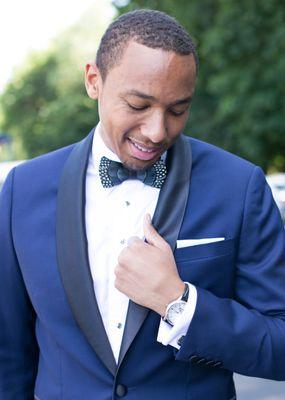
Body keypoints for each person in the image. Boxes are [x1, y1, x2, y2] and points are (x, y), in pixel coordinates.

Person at [0, 9, 285, 400]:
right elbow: (8, 356)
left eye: (177, 110)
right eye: (137, 105)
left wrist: (179, 303)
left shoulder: (240, 187)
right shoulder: (23, 190)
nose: (156, 131)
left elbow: (281, 345)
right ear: (93, 80)